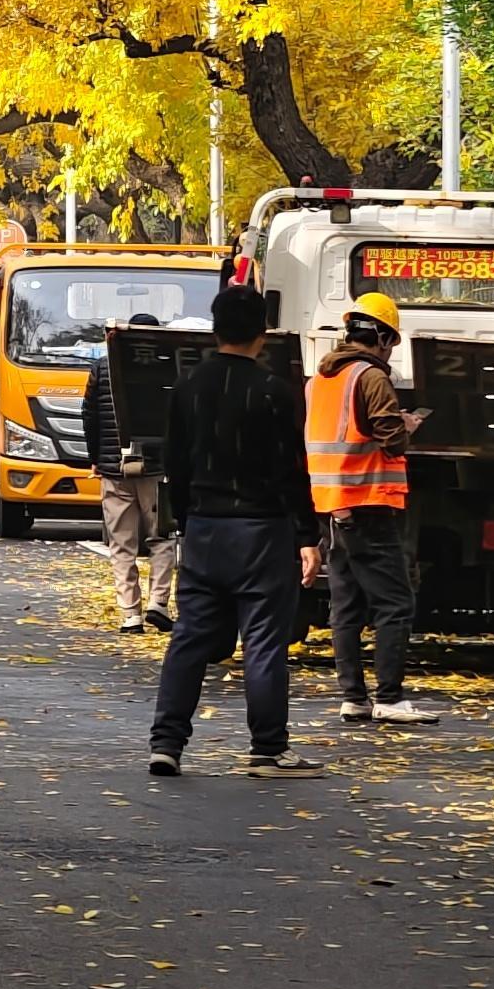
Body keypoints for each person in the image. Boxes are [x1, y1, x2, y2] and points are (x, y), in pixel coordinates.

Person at [147, 282, 323, 779]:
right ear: (261, 333)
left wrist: (185, 520)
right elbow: (292, 468)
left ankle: (167, 743)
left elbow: (175, 464)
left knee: (190, 638)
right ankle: (267, 749)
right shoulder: (273, 392)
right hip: (262, 531)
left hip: (204, 527)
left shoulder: (188, 388)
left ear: (216, 327)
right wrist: (307, 536)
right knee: (263, 639)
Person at [307, 288, 437, 729]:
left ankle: (353, 697)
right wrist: (408, 425)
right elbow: (389, 438)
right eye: (392, 341)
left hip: (332, 507)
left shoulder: (320, 379)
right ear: (382, 337)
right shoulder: (371, 377)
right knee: (395, 603)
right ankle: (390, 697)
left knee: (345, 606)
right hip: (369, 506)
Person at [82, 311, 177, 633]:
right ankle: (158, 603)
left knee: (121, 543)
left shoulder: (101, 367)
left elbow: (89, 415)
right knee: (162, 536)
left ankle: (130, 614)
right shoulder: (168, 366)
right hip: (158, 468)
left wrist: (95, 456)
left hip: (114, 468)